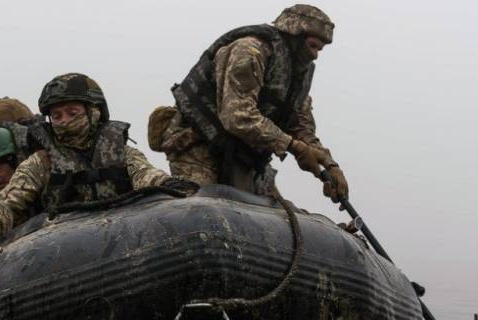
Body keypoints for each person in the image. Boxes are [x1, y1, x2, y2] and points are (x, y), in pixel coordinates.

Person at [0, 73, 196, 246]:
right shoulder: (41, 162)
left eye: (72, 112)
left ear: (94, 112)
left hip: (124, 241)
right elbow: (4, 208)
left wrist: (175, 189)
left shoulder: (121, 153)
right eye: (56, 116)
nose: (64, 122)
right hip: (62, 251)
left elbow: (148, 177)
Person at [148, 4, 348, 201]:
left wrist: (329, 165)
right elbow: (238, 116)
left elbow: (301, 124)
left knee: (277, 221)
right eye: (312, 46)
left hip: (245, 159)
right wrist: (293, 146)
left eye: (319, 50)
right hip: (199, 145)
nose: (315, 55)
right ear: (294, 35)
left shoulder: (300, 74)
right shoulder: (250, 50)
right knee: (204, 211)